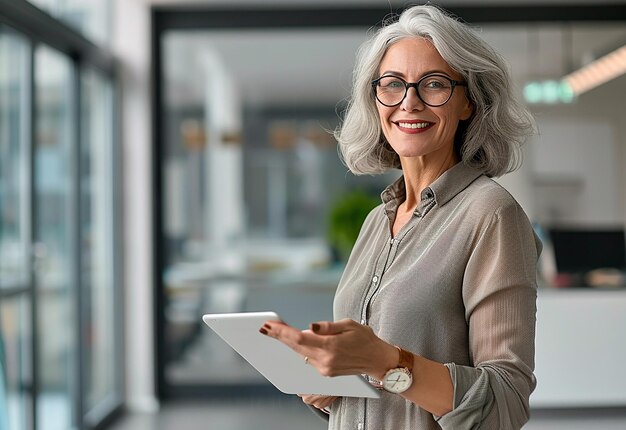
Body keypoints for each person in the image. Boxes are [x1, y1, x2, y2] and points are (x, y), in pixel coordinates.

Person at [260, 4, 542, 429]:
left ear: (469, 102)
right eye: (392, 85)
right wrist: (329, 379)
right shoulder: (377, 220)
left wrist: (388, 363)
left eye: (434, 84)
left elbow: (504, 404)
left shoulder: (490, 213)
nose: (409, 103)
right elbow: (371, 376)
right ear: (375, 100)